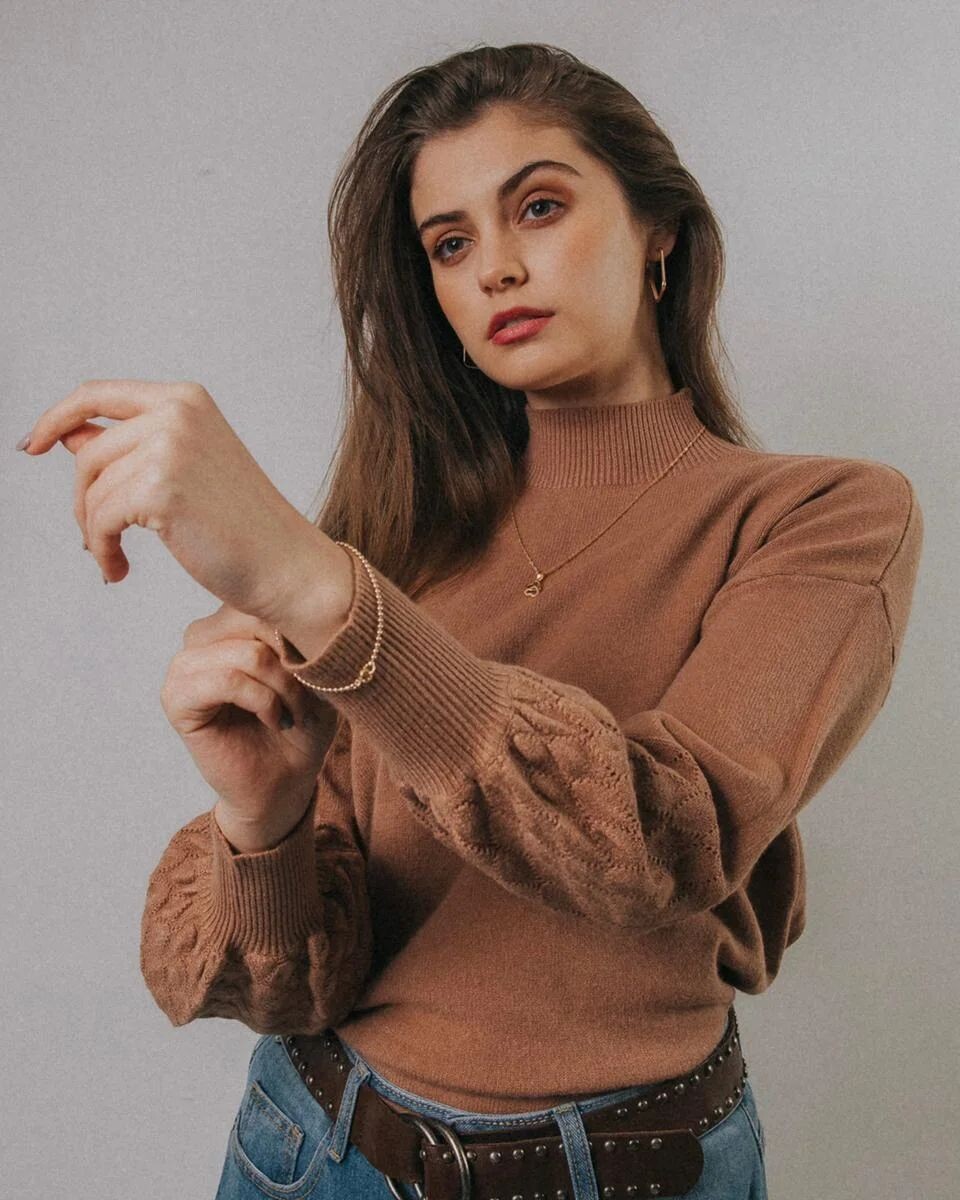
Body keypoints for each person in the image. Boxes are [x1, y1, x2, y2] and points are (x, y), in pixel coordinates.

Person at [138, 42, 923, 1200]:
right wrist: (264, 816)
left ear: (659, 231)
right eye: (450, 244)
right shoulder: (397, 539)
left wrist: (317, 591)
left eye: (540, 207)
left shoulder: (819, 517)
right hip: (309, 1148)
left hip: (626, 1171)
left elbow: (661, 842)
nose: (497, 268)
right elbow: (292, 990)